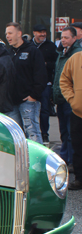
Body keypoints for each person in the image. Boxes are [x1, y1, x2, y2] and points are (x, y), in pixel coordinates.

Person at [5, 22, 47, 143]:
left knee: (32, 132)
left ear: (19, 34)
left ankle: (37, 161)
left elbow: (41, 75)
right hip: (12, 102)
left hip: (28, 101)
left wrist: (33, 95)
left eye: (10, 33)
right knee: (15, 135)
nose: (7, 36)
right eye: (6, 34)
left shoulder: (32, 51)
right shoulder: (8, 53)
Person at [52, 26, 82, 171]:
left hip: (72, 103)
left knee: (72, 135)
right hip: (65, 101)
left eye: (66, 37)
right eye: (62, 37)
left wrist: (72, 100)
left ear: (75, 38)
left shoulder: (76, 54)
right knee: (66, 134)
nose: (63, 40)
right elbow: (61, 78)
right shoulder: (64, 53)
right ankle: (66, 161)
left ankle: (70, 162)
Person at [32, 24, 58, 143]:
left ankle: (45, 134)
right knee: (30, 109)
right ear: (34, 33)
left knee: (44, 110)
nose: (42, 34)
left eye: (44, 32)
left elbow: (57, 64)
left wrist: (46, 64)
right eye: (39, 32)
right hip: (31, 83)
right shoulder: (29, 46)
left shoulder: (51, 46)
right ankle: (32, 133)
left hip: (46, 83)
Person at [60, 51, 82, 190]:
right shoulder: (76, 58)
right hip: (78, 113)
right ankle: (79, 179)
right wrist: (72, 100)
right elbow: (64, 79)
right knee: (78, 147)